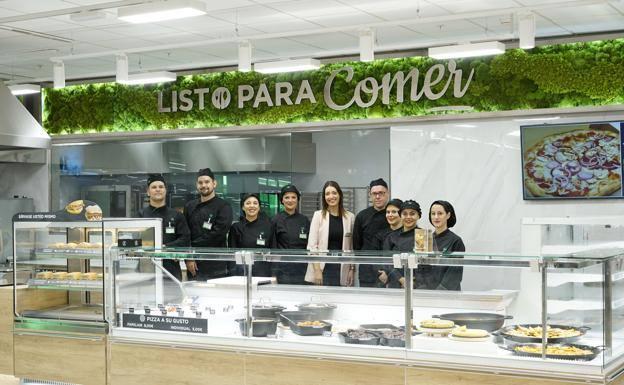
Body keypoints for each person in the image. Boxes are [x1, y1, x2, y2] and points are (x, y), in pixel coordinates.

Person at [137, 174, 190, 280]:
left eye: (161, 187)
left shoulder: (176, 215)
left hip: (171, 268)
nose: (158, 190)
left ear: (165, 191)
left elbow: (185, 239)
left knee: (173, 296)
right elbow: (137, 239)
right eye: (154, 187)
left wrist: (165, 247)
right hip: (147, 267)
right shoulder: (141, 214)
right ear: (148, 192)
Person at [183, 168, 233, 280]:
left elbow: (218, 234)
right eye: (200, 182)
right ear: (197, 185)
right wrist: (188, 257)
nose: (203, 185)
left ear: (214, 183)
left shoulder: (224, 206)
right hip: (194, 264)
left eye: (207, 182)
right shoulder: (189, 206)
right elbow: (185, 233)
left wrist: (192, 246)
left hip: (216, 264)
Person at [305, 181, 355, 287]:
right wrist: (317, 270)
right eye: (327, 194)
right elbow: (312, 246)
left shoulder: (350, 217)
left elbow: (351, 247)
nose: (331, 196)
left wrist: (351, 269)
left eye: (334, 193)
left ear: (340, 195)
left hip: (342, 267)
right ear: (324, 197)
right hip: (323, 267)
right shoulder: (318, 215)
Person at [353, 178, 390, 287]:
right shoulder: (362, 216)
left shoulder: (394, 215)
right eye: (374, 194)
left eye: (381, 193)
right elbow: (357, 246)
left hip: (390, 270)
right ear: (370, 195)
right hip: (367, 271)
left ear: (387, 193)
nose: (377, 197)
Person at [271, 184, 310, 284]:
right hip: (283, 269)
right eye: (287, 197)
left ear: (297, 199)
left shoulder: (304, 220)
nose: (290, 200)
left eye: (293, 197)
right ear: (282, 200)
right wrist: (273, 273)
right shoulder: (275, 220)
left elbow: (310, 245)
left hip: (302, 267)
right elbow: (273, 248)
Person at [228, 193, 273, 276]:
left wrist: (274, 275)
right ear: (243, 207)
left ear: (259, 207)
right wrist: (233, 274)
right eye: (248, 203)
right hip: (242, 272)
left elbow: (273, 253)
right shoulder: (236, 228)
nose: (252, 206)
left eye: (255, 203)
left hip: (263, 272)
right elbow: (232, 255)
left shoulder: (268, 226)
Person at [382, 200, 422, 288]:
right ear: (400, 215)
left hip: (416, 284)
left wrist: (413, 280)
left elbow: (426, 264)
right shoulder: (391, 237)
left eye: (412, 214)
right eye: (405, 214)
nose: (408, 217)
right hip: (395, 282)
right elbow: (387, 262)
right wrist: (401, 279)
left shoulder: (422, 236)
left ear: (418, 216)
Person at [427, 200, 465, 290]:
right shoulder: (426, 240)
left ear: (448, 215)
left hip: (447, 293)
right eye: (433, 213)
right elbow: (422, 267)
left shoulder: (456, 241)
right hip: (427, 291)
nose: (436, 217)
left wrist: (439, 291)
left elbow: (455, 273)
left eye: (440, 213)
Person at [373, 198, 403, 287]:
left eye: (394, 212)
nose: (390, 215)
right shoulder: (380, 235)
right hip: (386, 280)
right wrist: (380, 272)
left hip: (405, 279)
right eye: (388, 212)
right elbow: (374, 257)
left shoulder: (409, 234)